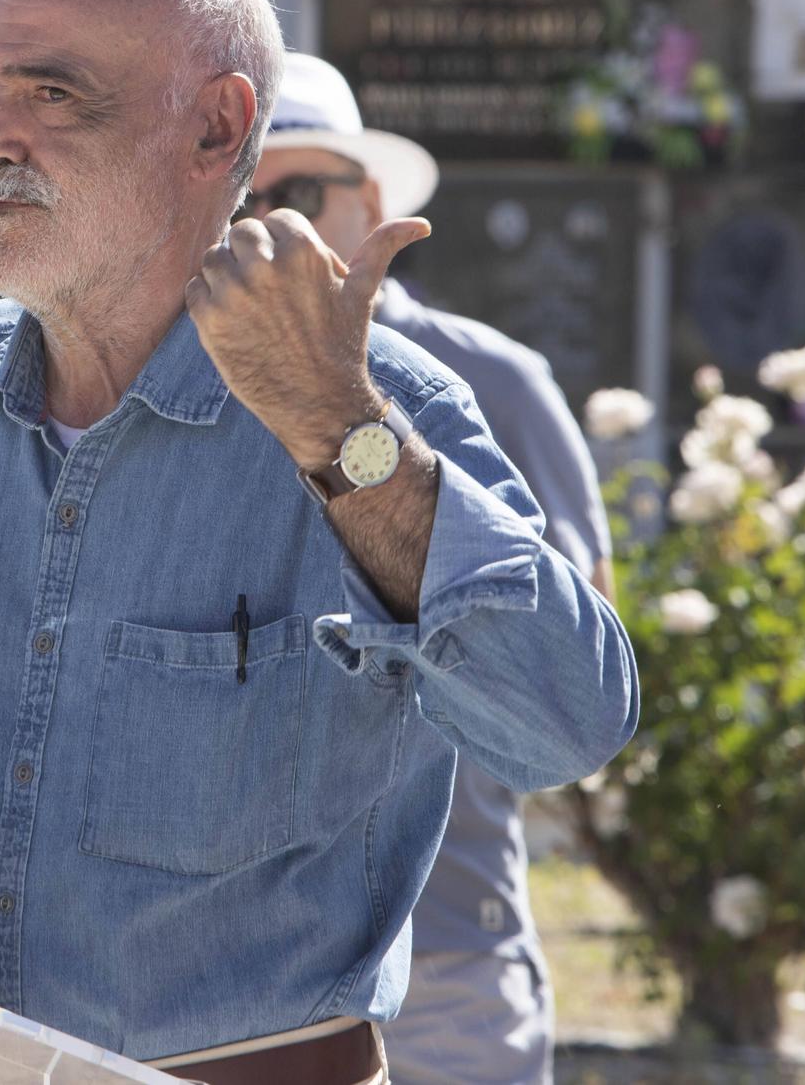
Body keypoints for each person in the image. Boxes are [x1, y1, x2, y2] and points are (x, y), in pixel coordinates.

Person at [0, 0, 638, 1081]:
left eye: (53, 95)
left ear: (215, 126)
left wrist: (333, 432)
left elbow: (565, 723)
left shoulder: (376, 404)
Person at [248, 54, 615, 1085]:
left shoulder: (492, 377)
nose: (270, 223)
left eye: (297, 191)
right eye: (245, 196)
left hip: (445, 927)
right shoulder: (174, 389)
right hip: (243, 966)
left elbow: (570, 641)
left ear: (369, 203)